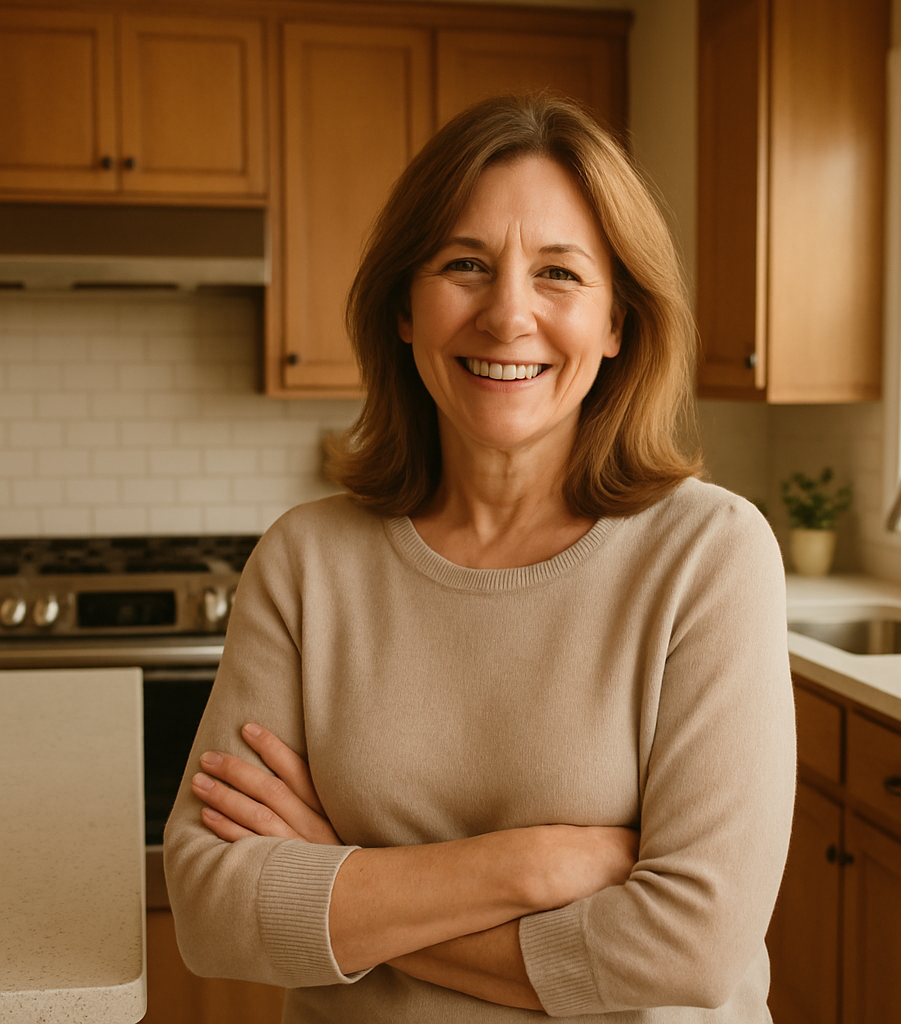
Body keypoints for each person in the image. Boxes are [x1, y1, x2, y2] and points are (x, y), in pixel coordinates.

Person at [163, 93, 795, 1022]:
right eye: (465, 264)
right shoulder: (307, 562)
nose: (507, 316)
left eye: (559, 274)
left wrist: (347, 885)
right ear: (406, 310)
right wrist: (529, 865)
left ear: (618, 321)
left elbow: (689, 949)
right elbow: (215, 911)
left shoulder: (710, 556)